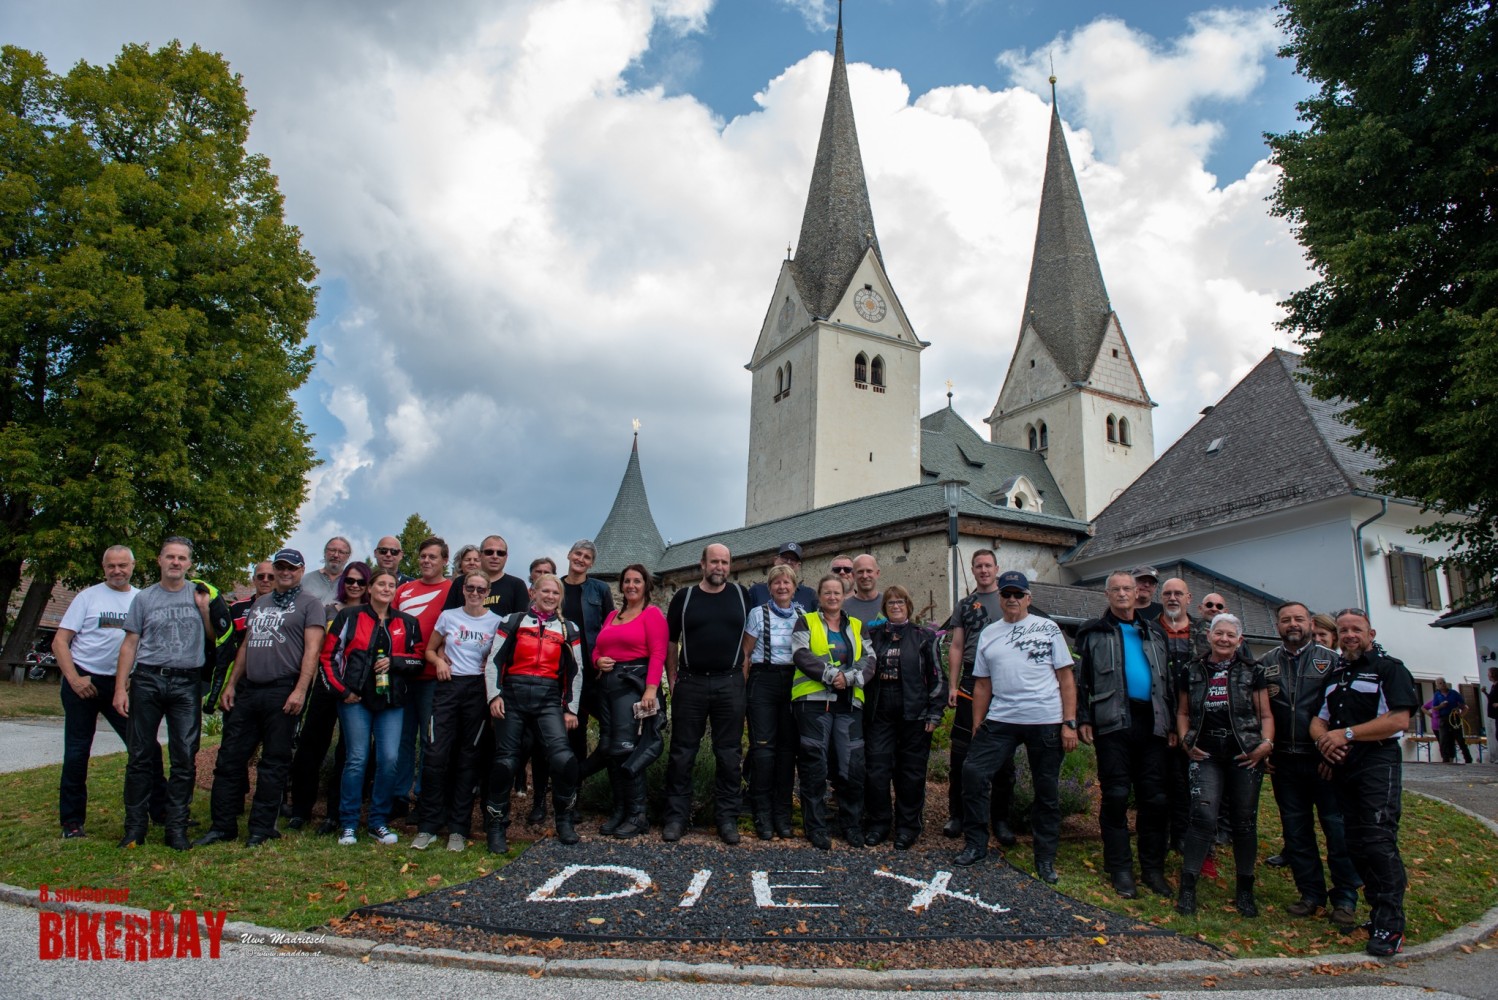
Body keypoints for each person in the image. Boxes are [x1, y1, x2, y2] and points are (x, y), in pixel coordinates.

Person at [196, 549, 324, 848]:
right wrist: (232, 684)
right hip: (250, 689)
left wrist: (300, 690)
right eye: (280, 567)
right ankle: (222, 826)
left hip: (283, 689)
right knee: (229, 758)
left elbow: (312, 651)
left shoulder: (311, 604)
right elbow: (245, 646)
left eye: (291, 567)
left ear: (301, 570)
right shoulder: (261, 603)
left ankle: (262, 828)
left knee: (274, 762)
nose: (285, 572)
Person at [1311, 609, 1420, 957]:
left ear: (1370, 634)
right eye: (1343, 630)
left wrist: (1345, 734)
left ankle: (1391, 924)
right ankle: (1376, 915)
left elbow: (1398, 719)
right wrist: (1325, 743)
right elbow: (1318, 719)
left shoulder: (1389, 669)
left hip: (1377, 762)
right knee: (1355, 844)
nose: (1349, 635)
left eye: (1356, 629)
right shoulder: (1336, 674)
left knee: (1377, 840)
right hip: (1343, 766)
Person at [955, 572, 1076, 880]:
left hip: (1045, 720)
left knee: (1046, 790)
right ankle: (976, 843)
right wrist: (978, 723)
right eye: (1007, 594)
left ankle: (1045, 858)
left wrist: (1069, 722)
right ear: (1000, 598)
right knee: (973, 773)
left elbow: (1066, 678)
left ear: (1028, 598)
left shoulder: (1048, 628)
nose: (1012, 599)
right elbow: (982, 683)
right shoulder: (989, 633)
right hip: (1002, 718)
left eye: (1018, 594)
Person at [1259, 601, 1360, 928]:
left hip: (1323, 761)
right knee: (1296, 832)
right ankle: (1310, 894)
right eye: (1286, 619)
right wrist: (1264, 749)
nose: (1293, 624)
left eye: (1299, 619)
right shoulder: (1265, 664)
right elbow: (1257, 712)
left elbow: (1346, 709)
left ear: (1310, 623)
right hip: (1284, 763)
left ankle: (1345, 899)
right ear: (1278, 625)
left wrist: (1336, 753)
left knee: (1337, 832)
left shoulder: (1333, 662)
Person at [1074, 569, 1174, 899]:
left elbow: (1168, 681)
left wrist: (1173, 724)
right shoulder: (1093, 632)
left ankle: (1153, 869)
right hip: (1112, 721)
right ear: (1107, 594)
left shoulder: (1154, 632)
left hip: (1153, 722)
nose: (1121, 594)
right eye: (1115, 589)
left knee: (1154, 798)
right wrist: (1083, 717)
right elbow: (1081, 679)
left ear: (1136, 593)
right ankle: (1120, 868)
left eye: (1127, 589)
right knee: (1116, 795)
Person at [54, 545, 164, 839]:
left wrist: (131, 677)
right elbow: (60, 641)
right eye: (111, 566)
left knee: (146, 748)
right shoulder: (88, 597)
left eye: (122, 565)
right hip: (84, 682)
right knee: (77, 752)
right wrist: (74, 679)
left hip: (122, 686)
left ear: (133, 566)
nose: (117, 570)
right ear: (104, 568)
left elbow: (148, 644)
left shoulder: (142, 599)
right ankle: (72, 822)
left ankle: (162, 812)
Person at [113, 537, 214, 850]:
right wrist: (120, 687)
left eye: (182, 558)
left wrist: (205, 611)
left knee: (184, 756)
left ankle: (176, 828)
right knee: (139, 756)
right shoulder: (144, 598)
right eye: (170, 557)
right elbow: (130, 644)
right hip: (148, 679)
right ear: (159, 560)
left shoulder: (200, 594)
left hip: (186, 683)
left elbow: (213, 638)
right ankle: (134, 828)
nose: (176, 562)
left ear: (189, 564)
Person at [1174, 613, 1274, 917]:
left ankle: (1245, 890)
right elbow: (1182, 712)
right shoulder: (1192, 669)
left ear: (1239, 640)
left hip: (1244, 752)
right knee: (1203, 817)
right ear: (1209, 636)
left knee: (1244, 821)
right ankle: (1188, 887)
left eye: (1231, 635)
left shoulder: (1253, 671)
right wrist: (1186, 741)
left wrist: (1265, 745)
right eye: (1219, 633)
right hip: (1206, 752)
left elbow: (1265, 714)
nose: (1224, 639)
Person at [319, 568, 425, 845]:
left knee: (389, 760)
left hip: (391, 701)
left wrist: (395, 661)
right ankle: (349, 823)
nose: (386, 589)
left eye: (391, 585)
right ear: (370, 588)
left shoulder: (408, 622)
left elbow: (418, 659)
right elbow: (328, 656)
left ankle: (378, 821)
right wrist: (342, 691)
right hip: (356, 700)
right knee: (357, 759)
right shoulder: (349, 616)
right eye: (381, 584)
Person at [483, 574, 584, 853]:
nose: (550, 596)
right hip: (512, 696)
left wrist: (570, 708)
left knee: (563, 759)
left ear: (560, 597)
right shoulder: (513, 621)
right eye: (545, 591)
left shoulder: (568, 628)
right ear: (533, 593)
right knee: (505, 763)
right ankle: (496, 825)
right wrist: (494, 695)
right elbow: (494, 660)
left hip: (548, 697)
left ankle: (564, 820)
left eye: (555, 593)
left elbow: (576, 670)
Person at [663, 543, 750, 844]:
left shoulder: (741, 595)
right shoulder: (685, 598)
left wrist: (741, 676)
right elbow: (670, 641)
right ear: (702, 564)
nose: (719, 567)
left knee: (729, 755)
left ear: (730, 565)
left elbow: (748, 640)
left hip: (730, 682)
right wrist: (672, 679)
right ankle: (676, 817)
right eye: (714, 562)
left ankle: (727, 819)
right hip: (691, 682)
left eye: (724, 562)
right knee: (682, 754)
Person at [412, 572, 502, 852]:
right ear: (463, 589)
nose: (475, 593)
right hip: (448, 687)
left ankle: (458, 828)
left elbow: (499, 658)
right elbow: (429, 650)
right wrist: (439, 661)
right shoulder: (448, 616)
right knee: (435, 755)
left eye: (480, 589)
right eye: (470, 588)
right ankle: (428, 825)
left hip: (477, 690)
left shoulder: (496, 621)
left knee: (468, 759)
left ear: (487, 592)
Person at [286, 560, 373, 830]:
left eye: (361, 581)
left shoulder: (374, 614)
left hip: (356, 691)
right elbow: (318, 650)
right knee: (310, 748)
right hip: (326, 685)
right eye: (350, 581)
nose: (355, 586)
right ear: (343, 583)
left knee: (347, 753)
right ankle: (300, 810)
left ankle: (335, 814)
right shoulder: (328, 610)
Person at [791, 572, 873, 850]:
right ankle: (816, 828)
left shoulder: (857, 626)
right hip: (813, 702)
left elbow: (869, 658)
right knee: (814, 766)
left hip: (848, 703)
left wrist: (848, 678)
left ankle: (851, 825)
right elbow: (801, 653)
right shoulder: (806, 621)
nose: (832, 597)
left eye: (837, 592)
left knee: (852, 766)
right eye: (827, 592)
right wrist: (831, 675)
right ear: (820, 596)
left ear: (844, 595)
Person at [862, 584, 944, 850]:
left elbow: (937, 676)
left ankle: (908, 827)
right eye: (890, 603)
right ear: (884, 608)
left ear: (908, 605)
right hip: (879, 710)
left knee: (911, 773)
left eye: (900, 602)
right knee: (877, 770)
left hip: (914, 711)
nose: (895, 606)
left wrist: (934, 711)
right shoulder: (873, 635)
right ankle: (878, 824)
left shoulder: (924, 636)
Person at [943, 549, 1017, 845]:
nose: (984, 570)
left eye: (988, 565)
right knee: (962, 751)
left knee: (1004, 753)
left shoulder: (1010, 599)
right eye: (978, 566)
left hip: (1004, 679)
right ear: (973, 570)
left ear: (997, 568)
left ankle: (1000, 819)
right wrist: (952, 685)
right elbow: (956, 646)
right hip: (971, 678)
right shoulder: (964, 605)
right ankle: (957, 814)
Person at [592, 564, 668, 839]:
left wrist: (651, 690)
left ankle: (638, 815)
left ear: (646, 585)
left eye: (637, 581)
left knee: (627, 749)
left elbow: (658, 653)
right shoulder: (613, 615)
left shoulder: (652, 614)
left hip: (634, 687)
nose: (631, 585)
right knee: (610, 749)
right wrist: (597, 661)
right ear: (621, 585)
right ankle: (620, 810)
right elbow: (598, 647)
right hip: (608, 688)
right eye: (627, 581)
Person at [740, 564, 803, 840]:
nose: (782, 587)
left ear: (794, 587)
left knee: (787, 752)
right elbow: (746, 653)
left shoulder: (803, 616)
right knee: (763, 750)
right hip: (763, 681)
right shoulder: (758, 613)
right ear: (770, 588)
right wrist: (742, 690)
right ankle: (762, 813)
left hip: (793, 682)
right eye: (777, 582)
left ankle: (783, 814)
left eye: (787, 582)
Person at [392, 536, 452, 818]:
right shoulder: (403, 590)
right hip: (402, 676)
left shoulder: (452, 589)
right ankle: (399, 796)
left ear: (444, 561)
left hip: (432, 678)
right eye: (423, 556)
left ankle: (424, 798)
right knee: (402, 739)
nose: (427, 561)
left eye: (433, 557)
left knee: (430, 741)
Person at [561, 539, 616, 770]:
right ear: (569, 555)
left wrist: (604, 660)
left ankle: (582, 776)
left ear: (591, 564)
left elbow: (611, 627)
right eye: (578, 554)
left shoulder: (600, 589)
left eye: (587, 557)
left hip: (591, 671)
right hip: (562, 671)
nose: (581, 559)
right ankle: (569, 783)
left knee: (610, 725)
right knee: (571, 730)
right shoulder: (556, 587)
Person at [746, 542, 817, 611]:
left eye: (793, 559)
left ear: (798, 566)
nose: (788, 562)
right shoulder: (757, 591)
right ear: (775, 560)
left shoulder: (809, 594)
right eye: (785, 557)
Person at [1430, 679, 1472, 764]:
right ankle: (1445, 759)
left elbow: (1464, 706)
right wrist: (1441, 706)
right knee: (1443, 739)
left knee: (1460, 739)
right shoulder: (1437, 695)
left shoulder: (1454, 693)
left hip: (1454, 717)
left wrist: (1460, 715)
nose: (1443, 684)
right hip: (1443, 718)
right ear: (1437, 686)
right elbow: (1434, 708)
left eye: (1444, 682)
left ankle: (1468, 759)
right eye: (1440, 683)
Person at [301, 536, 352, 605]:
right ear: (325, 552)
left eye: (341, 552)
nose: (336, 555)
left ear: (348, 556)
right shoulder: (305, 580)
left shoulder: (352, 583)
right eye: (332, 550)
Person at [844, 554, 886, 626]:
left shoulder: (889, 602)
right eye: (860, 572)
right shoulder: (844, 608)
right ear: (853, 575)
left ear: (877, 573)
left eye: (869, 571)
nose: (865, 576)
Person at [1487, 666, 1498, 763]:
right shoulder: (1494, 686)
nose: (1488, 675)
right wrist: (1485, 693)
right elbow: (1491, 699)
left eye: (1489, 673)